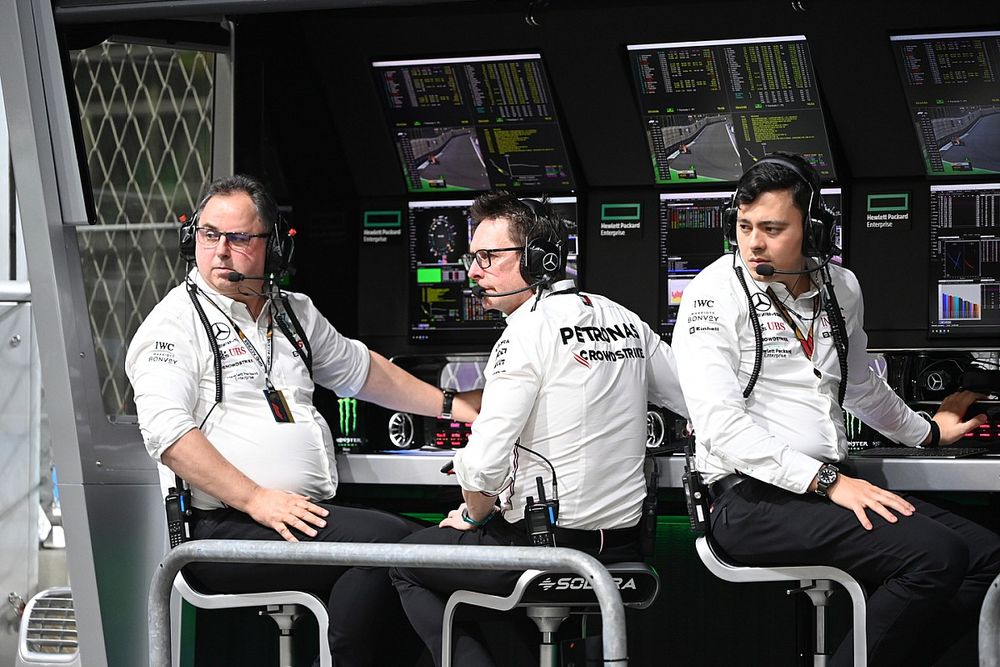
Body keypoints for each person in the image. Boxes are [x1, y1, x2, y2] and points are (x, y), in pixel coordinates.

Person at [125, 174, 478, 665]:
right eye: (209, 235)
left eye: (239, 238)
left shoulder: (293, 313)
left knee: (398, 555)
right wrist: (256, 499)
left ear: (275, 246)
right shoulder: (172, 325)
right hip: (224, 529)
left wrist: (452, 405)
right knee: (400, 549)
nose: (221, 252)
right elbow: (168, 436)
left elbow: (362, 372)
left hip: (299, 517)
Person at [672, 152, 1000, 666]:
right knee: (935, 557)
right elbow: (722, 427)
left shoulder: (840, 287)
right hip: (747, 501)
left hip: (821, 490)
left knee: (989, 559)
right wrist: (830, 484)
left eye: (773, 228)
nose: (754, 242)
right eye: (744, 226)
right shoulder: (712, 296)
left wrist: (928, 433)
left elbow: (859, 387)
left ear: (813, 228)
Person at [390, 191, 688, 666]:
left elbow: (483, 467)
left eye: (488, 257)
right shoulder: (626, 320)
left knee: (406, 562)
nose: (473, 272)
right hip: (623, 555)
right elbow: (694, 399)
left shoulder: (524, 334)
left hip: (547, 555)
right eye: (472, 257)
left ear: (539, 259)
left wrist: (470, 517)